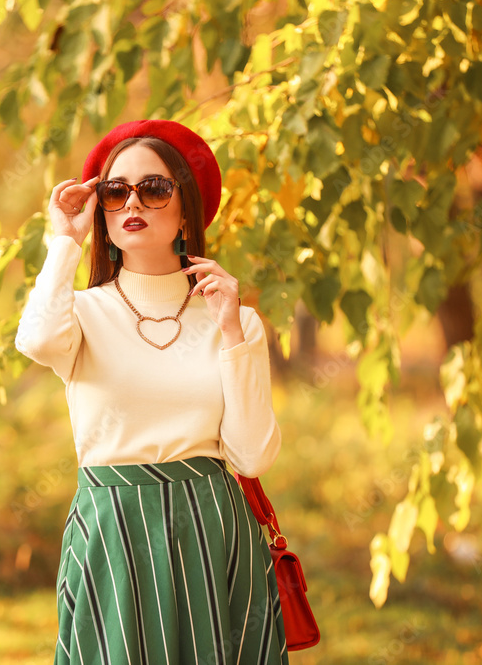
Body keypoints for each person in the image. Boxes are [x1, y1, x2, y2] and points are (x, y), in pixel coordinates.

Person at [15, 119, 288, 664]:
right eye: (115, 191)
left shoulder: (235, 320)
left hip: (210, 527)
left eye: (155, 188)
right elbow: (37, 340)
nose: (132, 201)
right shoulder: (83, 314)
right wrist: (66, 238)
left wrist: (231, 330)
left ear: (186, 208)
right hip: (112, 527)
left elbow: (252, 454)